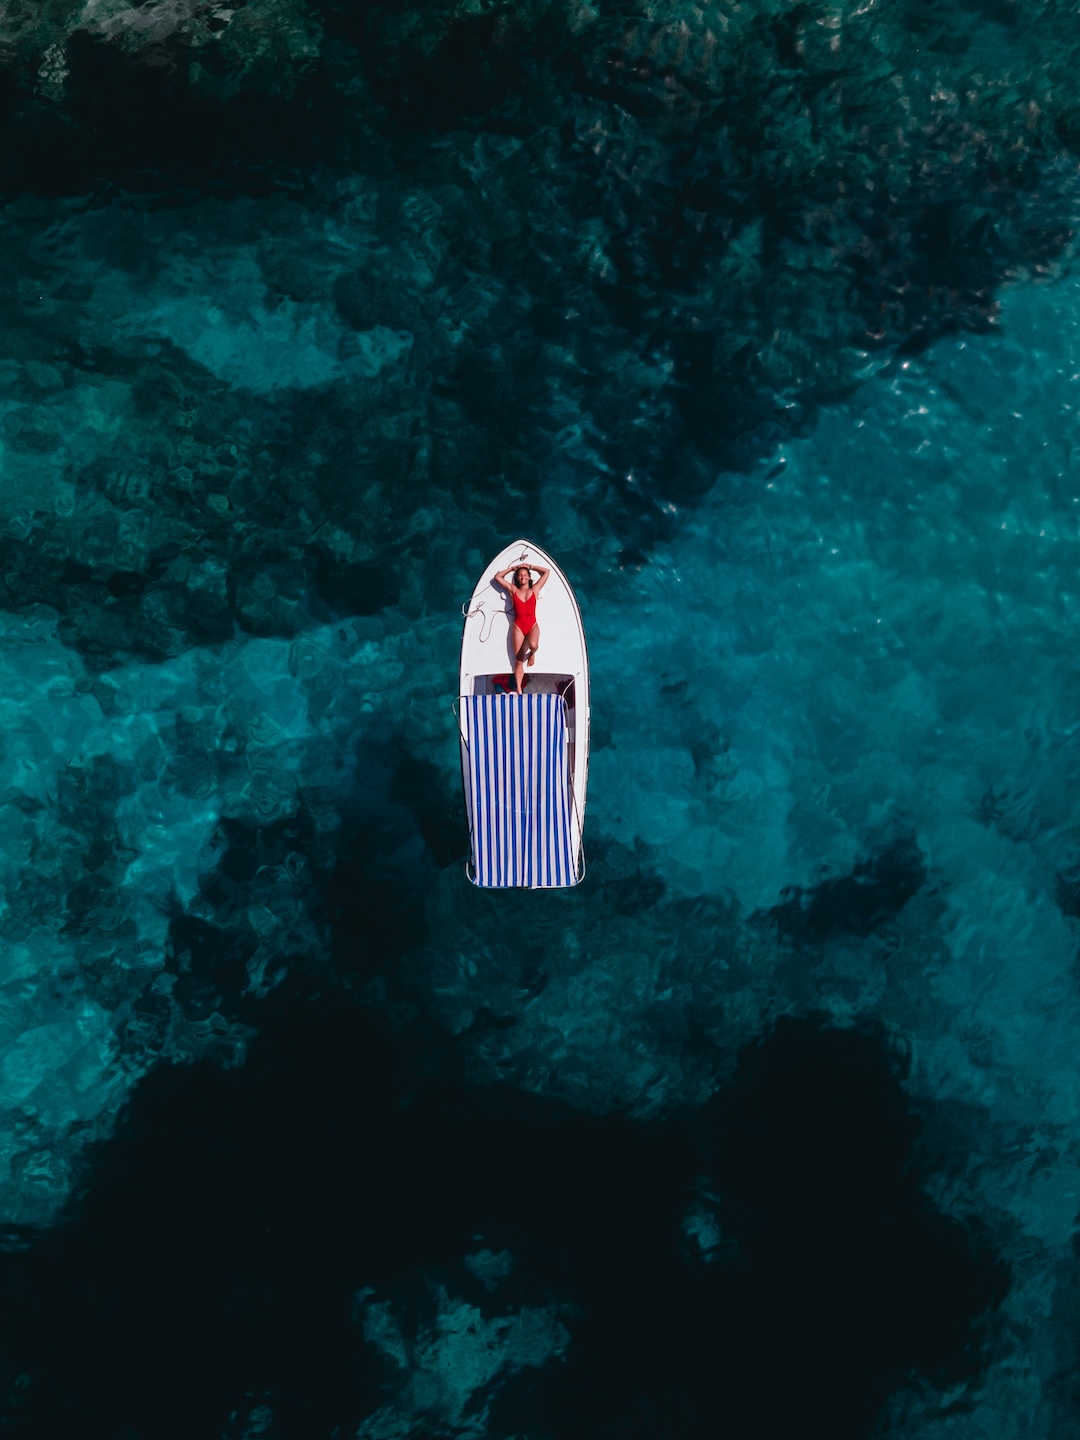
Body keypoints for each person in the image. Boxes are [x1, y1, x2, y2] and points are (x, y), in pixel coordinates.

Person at [495, 560, 550, 695]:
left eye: (525, 575)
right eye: (520, 575)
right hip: (518, 627)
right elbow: (498, 577)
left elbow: (546, 572)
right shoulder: (513, 590)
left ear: (529, 577)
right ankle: (519, 690)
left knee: (533, 645)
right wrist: (512, 568)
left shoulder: (535, 589)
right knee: (518, 661)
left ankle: (532, 653)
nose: (523, 577)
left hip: (532, 625)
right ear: (517, 579)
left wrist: (530, 566)